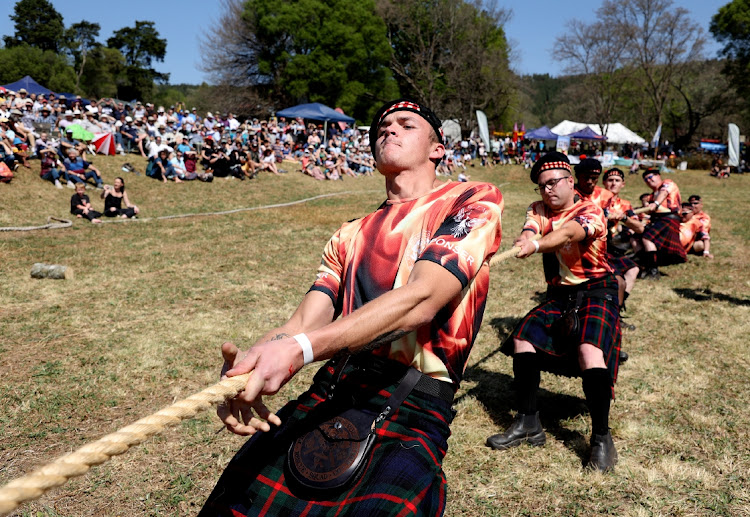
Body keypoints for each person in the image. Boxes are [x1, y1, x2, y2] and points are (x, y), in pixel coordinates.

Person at [199, 99, 503, 516]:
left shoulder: (471, 200)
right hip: (332, 389)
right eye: (382, 126)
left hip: (413, 399)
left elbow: (421, 300)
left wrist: (301, 349)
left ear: (437, 148)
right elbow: (304, 321)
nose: (388, 130)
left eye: (405, 124)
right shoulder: (349, 234)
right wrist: (247, 368)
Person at [486, 151, 621, 473]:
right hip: (559, 294)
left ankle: (602, 437)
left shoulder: (590, 210)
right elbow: (531, 228)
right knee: (523, 340)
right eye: (542, 185)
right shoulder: (540, 209)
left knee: (589, 352)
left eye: (554, 182)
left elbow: (567, 234)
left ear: (570, 182)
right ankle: (528, 421)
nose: (548, 190)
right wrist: (526, 238)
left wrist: (536, 245)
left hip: (596, 291)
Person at [632, 168, 685, 279]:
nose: (649, 181)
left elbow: (664, 193)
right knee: (636, 238)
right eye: (646, 180)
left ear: (658, 176)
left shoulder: (667, 183)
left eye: (651, 177)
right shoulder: (652, 195)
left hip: (669, 218)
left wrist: (655, 203)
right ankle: (645, 266)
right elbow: (647, 209)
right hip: (658, 220)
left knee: (647, 239)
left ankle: (653, 271)